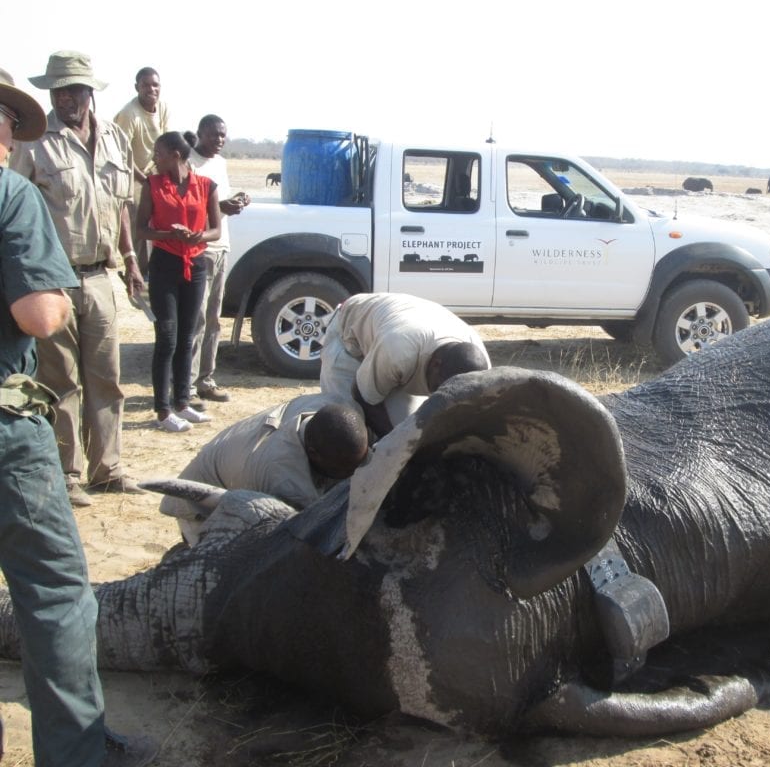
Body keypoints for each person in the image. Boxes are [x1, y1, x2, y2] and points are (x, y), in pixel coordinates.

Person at [0, 67, 156, 767]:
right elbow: (37, 312)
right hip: (7, 425)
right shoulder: (11, 193)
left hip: (100, 272)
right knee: (56, 594)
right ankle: (75, 753)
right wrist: (53, 298)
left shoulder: (111, 143)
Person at [9, 51, 145, 505]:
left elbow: (123, 204)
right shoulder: (33, 142)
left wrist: (130, 259)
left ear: (91, 92)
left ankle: (108, 468)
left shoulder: (114, 138)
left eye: (75, 89)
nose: (67, 97)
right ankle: (68, 475)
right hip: (54, 280)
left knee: (106, 378)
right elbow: (16, 212)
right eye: (59, 89)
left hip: (102, 277)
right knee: (60, 381)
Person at [158, 394, 368, 545]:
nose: (351, 473)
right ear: (313, 453)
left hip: (240, 463)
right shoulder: (283, 482)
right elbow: (303, 538)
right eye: (343, 469)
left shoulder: (341, 407)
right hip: (202, 509)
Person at [136, 131, 220, 432]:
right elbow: (141, 229)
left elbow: (215, 231)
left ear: (175, 154)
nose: (154, 159)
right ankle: (162, 410)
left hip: (195, 264)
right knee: (167, 337)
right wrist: (171, 235)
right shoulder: (153, 184)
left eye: (158, 153)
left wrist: (197, 236)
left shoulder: (206, 186)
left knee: (187, 337)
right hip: (165, 264)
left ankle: (183, 403)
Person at [320, 292, 491, 439]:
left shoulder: (480, 365)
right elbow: (362, 395)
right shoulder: (399, 351)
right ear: (436, 364)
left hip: (394, 335)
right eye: (442, 388)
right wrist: (398, 449)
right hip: (350, 337)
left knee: (410, 429)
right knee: (346, 428)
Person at [187, 114, 249, 405]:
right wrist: (217, 206)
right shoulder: (188, 162)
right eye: (213, 135)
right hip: (199, 249)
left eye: (223, 136)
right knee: (195, 319)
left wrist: (236, 201)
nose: (219, 140)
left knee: (213, 319)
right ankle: (185, 385)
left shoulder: (220, 164)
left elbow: (220, 202)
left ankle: (205, 380)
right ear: (200, 134)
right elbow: (185, 206)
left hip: (221, 245)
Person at [113, 67, 169, 274]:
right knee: (141, 229)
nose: (151, 89)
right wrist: (144, 180)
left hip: (155, 175)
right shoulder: (129, 114)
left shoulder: (163, 108)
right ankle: (138, 273)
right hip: (133, 177)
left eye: (155, 85)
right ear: (137, 87)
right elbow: (121, 153)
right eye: (146, 85)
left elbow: (168, 143)